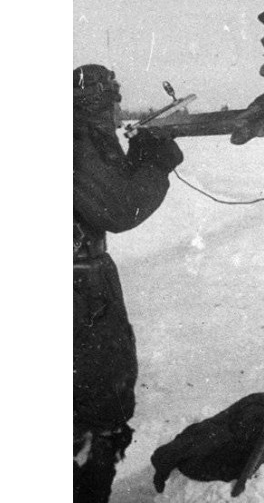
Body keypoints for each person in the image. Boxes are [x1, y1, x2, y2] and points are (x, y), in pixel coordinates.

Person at [73, 64, 184, 502]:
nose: (119, 114)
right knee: (95, 412)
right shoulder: (79, 137)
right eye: (113, 104)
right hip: (78, 289)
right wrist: (155, 162)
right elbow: (119, 208)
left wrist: (136, 158)